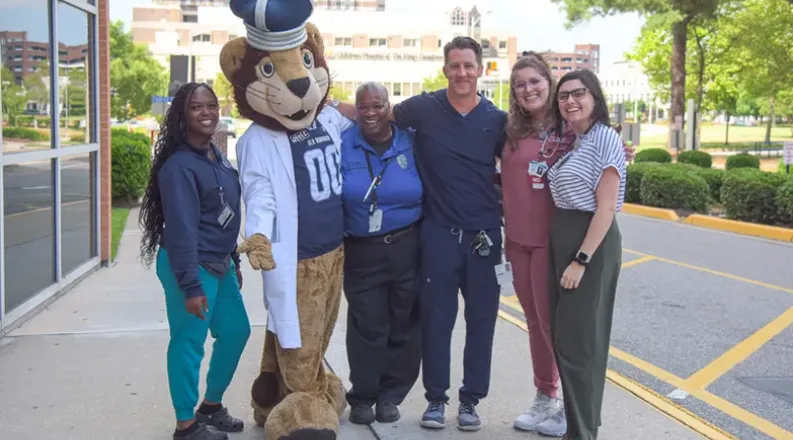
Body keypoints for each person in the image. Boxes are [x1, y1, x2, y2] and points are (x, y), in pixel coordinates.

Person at [500, 53, 635, 437]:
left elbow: (605, 201)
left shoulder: (589, 135)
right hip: (535, 241)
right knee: (550, 328)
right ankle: (560, 406)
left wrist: (581, 258)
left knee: (572, 335)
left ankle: (577, 418)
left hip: (573, 245)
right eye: (520, 84)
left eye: (536, 81)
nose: (529, 89)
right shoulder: (536, 134)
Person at [388, 36, 508, 432]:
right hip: (439, 234)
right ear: (445, 69)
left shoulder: (498, 119)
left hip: (485, 237)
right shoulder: (423, 108)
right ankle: (436, 400)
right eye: (455, 66)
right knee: (436, 321)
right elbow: (376, 117)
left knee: (482, 321)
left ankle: (471, 400)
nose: (462, 73)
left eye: (468, 66)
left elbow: (532, 152)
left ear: (480, 70)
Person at [138, 82, 251, 440]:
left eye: (212, 106)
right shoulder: (179, 167)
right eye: (197, 107)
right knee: (189, 342)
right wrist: (189, 285)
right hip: (189, 267)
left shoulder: (214, 155)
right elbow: (183, 230)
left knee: (236, 331)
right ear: (182, 116)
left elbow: (222, 212)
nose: (208, 113)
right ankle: (186, 424)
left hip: (219, 263)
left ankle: (211, 406)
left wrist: (233, 257)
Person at [545, 69, 627, 440]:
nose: (570, 101)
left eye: (578, 93)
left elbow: (606, 209)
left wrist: (581, 259)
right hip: (563, 237)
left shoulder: (605, 138)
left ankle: (582, 432)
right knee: (566, 338)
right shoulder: (577, 141)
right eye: (563, 96)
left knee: (581, 342)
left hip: (588, 243)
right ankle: (577, 427)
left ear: (595, 97)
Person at [340, 82, 423, 425]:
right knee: (367, 324)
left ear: (390, 107)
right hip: (361, 248)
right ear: (355, 110)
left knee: (404, 322)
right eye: (364, 107)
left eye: (378, 105)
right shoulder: (344, 143)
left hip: (407, 245)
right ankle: (362, 396)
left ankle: (391, 395)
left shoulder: (411, 140)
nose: (371, 113)